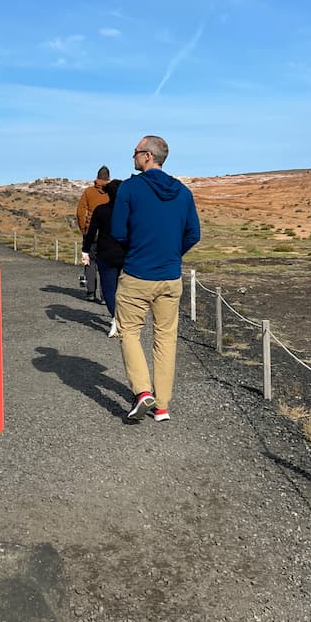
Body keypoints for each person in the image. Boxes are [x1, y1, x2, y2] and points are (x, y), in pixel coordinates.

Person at [111, 135, 200, 423]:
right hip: (171, 277)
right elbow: (193, 234)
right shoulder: (183, 192)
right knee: (166, 338)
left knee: (129, 331)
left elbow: (118, 231)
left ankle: (142, 391)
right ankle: (162, 406)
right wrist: (171, 253)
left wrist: (139, 250)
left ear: (148, 156)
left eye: (136, 152)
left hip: (137, 274)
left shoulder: (129, 188)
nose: (133, 157)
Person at [81, 179, 126, 337]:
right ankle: (124, 319)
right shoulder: (130, 211)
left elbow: (91, 232)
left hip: (106, 254)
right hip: (126, 255)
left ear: (108, 193)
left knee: (108, 289)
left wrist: (85, 250)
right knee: (123, 289)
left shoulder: (100, 210)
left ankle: (115, 318)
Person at [75, 165, 110, 301]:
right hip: (107, 234)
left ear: (97, 177)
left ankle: (90, 292)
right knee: (106, 264)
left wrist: (84, 228)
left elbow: (80, 212)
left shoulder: (89, 192)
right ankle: (105, 296)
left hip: (91, 232)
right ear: (108, 178)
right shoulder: (112, 192)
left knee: (89, 261)